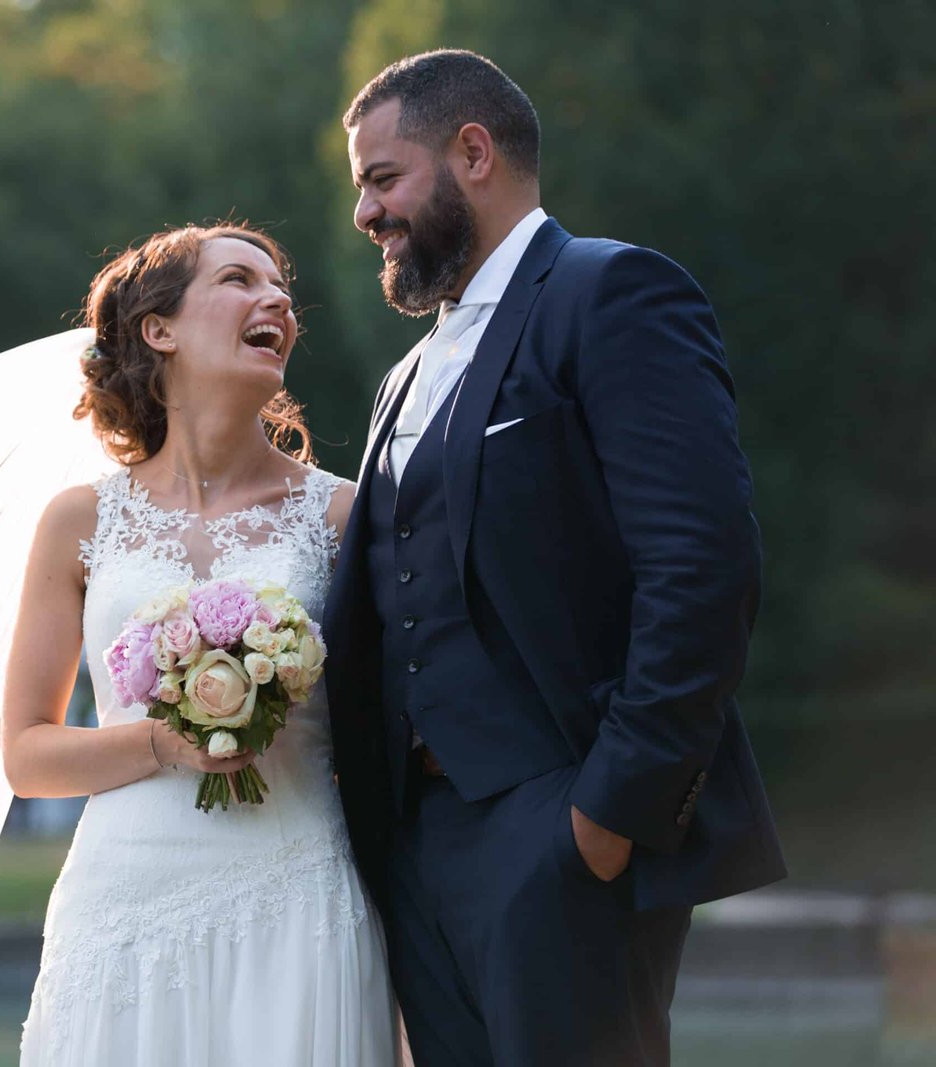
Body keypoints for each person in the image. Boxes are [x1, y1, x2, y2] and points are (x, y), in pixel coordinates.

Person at [324, 48, 788, 1066]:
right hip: (414, 843)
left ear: (473, 152)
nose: (365, 212)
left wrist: (609, 813)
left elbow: (702, 566)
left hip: (559, 830)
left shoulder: (610, 291)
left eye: (380, 177)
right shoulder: (402, 375)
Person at [5, 223, 399, 1065]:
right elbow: (28, 754)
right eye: (238, 280)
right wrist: (163, 741)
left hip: (297, 898)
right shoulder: (81, 521)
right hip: (124, 912)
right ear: (160, 328)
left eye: (282, 289)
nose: (277, 300)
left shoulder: (341, 515)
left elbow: (395, 727)